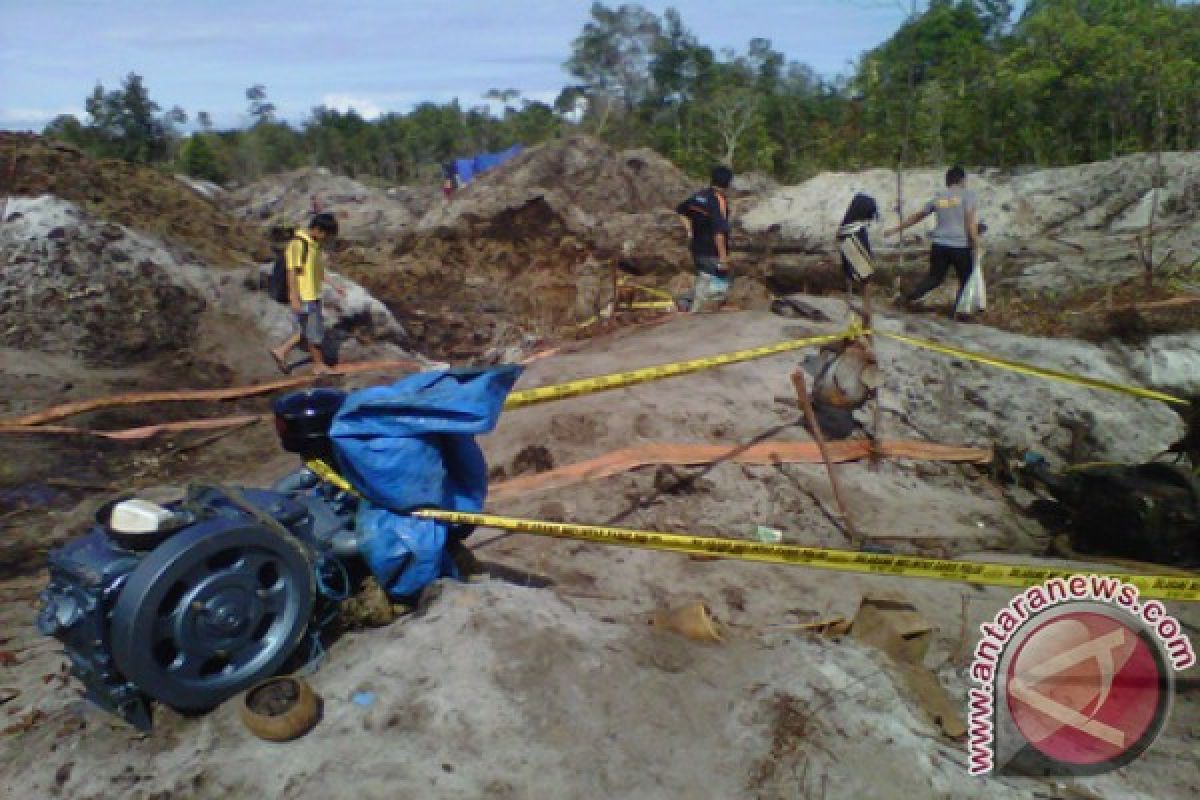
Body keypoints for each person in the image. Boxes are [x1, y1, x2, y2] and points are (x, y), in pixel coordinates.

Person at [884, 165, 980, 317]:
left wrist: (897, 229)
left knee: (934, 278)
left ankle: (908, 297)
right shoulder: (968, 195)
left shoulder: (939, 197)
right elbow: (969, 221)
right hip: (960, 246)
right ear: (962, 179)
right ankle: (959, 311)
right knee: (966, 279)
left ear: (948, 181)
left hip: (939, 245)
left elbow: (919, 215)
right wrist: (976, 242)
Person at [270, 212, 339, 375]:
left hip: (313, 294)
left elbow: (316, 269)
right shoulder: (299, 244)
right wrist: (294, 297)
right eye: (325, 235)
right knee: (313, 332)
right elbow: (291, 271)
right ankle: (318, 365)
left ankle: (281, 351)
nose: (325, 239)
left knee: (307, 329)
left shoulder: (313, 244)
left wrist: (334, 284)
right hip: (304, 295)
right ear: (317, 229)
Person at [676, 165, 734, 313]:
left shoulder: (698, 196)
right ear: (728, 183)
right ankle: (693, 309)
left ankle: (685, 302)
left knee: (704, 279)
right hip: (712, 251)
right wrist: (723, 258)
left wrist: (690, 230)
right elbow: (719, 231)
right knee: (720, 286)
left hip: (697, 249)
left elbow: (681, 211)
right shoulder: (717, 200)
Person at [835, 192, 879, 305]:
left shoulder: (845, 227)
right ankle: (867, 309)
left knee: (851, 275)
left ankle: (852, 303)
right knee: (866, 277)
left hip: (847, 238)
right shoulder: (857, 230)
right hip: (856, 238)